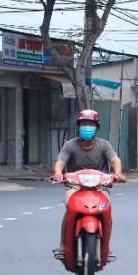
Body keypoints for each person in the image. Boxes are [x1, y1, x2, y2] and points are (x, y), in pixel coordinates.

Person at [52, 109, 126, 260]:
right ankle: (63, 245)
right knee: (69, 211)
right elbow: (60, 161)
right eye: (84, 124)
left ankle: (106, 247)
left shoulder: (104, 145)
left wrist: (118, 173)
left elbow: (115, 160)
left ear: (97, 127)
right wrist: (58, 173)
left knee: (107, 211)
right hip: (75, 187)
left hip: (100, 188)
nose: (87, 127)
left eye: (90, 124)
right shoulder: (70, 145)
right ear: (78, 127)